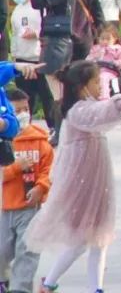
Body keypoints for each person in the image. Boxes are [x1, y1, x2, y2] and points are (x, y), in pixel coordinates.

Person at [26, 61, 121, 293]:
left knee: (99, 238)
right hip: (82, 184)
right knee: (81, 240)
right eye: (95, 81)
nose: (100, 85)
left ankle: (95, 288)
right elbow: (101, 112)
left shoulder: (86, 106)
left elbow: (103, 111)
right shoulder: (78, 111)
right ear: (82, 86)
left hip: (97, 182)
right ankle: (49, 283)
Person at [30, 0, 104, 131]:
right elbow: (99, 17)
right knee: (73, 85)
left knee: (58, 89)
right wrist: (93, 38)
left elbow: (37, 3)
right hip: (82, 43)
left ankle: (62, 128)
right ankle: (76, 125)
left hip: (60, 43)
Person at [0, 88, 52, 293]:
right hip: (4, 206)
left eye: (26, 109)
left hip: (30, 208)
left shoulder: (40, 140)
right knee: (2, 252)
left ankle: (21, 289)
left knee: (28, 251)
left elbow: (48, 170)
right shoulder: (5, 142)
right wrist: (15, 168)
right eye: (17, 110)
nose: (23, 115)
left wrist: (42, 187)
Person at [9, 0, 49, 124]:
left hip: (39, 58)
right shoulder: (17, 11)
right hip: (22, 59)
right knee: (25, 97)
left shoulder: (40, 7)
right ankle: (25, 126)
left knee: (46, 97)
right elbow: (14, 34)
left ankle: (52, 127)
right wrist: (14, 56)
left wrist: (36, 34)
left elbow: (48, 29)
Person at [86, 24, 121, 100]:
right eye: (102, 39)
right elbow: (87, 59)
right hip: (95, 70)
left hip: (111, 72)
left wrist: (116, 63)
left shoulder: (118, 49)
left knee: (103, 77)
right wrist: (95, 57)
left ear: (115, 39)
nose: (105, 41)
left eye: (108, 39)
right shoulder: (96, 49)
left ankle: (104, 98)